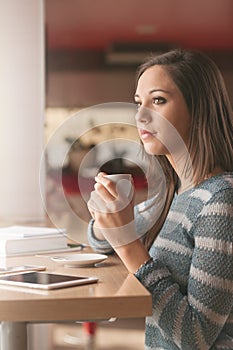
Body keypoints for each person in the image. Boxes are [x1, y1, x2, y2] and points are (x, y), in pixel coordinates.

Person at [87, 49, 233, 349]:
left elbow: (196, 337)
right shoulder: (173, 194)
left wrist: (128, 243)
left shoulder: (220, 201)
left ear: (198, 108)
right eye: (138, 103)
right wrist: (110, 215)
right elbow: (99, 242)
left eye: (158, 100)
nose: (140, 115)